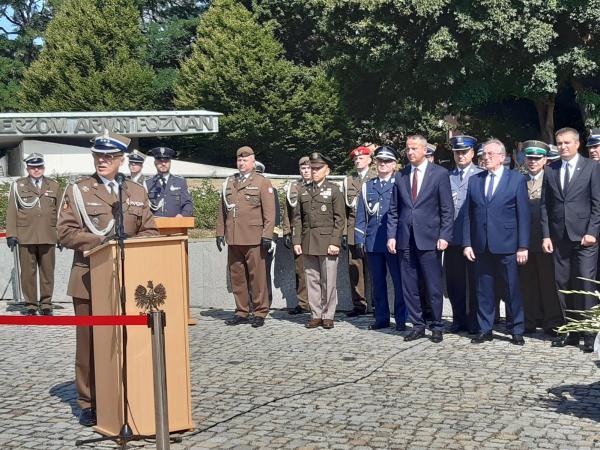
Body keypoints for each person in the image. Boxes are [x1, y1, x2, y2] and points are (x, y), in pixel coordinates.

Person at [57, 131, 158, 427]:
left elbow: (149, 230)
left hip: (129, 280)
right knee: (89, 344)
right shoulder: (79, 190)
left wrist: (137, 247)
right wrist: (102, 241)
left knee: (126, 340)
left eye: (108, 157)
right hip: (90, 279)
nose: (102, 161)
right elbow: (64, 232)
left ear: (120, 160)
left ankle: (129, 394)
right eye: (98, 156)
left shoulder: (136, 192)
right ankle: (89, 401)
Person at [387, 134, 454, 343]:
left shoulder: (440, 174)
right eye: (407, 149)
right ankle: (417, 324)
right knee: (409, 285)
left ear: (425, 150)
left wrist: (444, 235)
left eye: (414, 148)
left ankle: (436, 324)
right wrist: (391, 235)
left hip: (430, 238)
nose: (410, 152)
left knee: (433, 285)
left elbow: (446, 209)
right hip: (405, 239)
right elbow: (393, 210)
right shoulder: (401, 175)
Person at [463, 139, 530, 345]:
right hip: (481, 245)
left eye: (491, 154)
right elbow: (467, 215)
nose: (486, 157)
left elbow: (524, 214)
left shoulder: (516, 180)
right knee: (484, 289)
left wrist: (523, 246)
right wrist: (467, 243)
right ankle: (485, 328)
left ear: (502, 157)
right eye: (484, 154)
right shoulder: (475, 180)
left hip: (508, 244)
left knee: (511, 289)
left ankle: (516, 328)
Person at [540, 127, 600, 352]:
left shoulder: (592, 167)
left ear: (577, 144)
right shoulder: (551, 169)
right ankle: (571, 329)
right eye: (560, 143)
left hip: (585, 237)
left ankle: (589, 332)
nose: (563, 147)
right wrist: (546, 234)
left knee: (585, 282)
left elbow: (597, 203)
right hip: (559, 237)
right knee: (563, 284)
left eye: (567, 143)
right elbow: (546, 206)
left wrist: (592, 231)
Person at [216, 146, 276, 328]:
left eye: (245, 160)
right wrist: (220, 232)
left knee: (257, 277)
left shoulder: (261, 182)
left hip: (253, 237)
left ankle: (259, 311)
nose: (241, 163)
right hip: (233, 237)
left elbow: (269, 213)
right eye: (239, 160)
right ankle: (241, 311)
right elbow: (222, 210)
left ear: (253, 162)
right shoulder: (230, 182)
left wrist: (267, 235)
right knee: (237, 276)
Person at [355, 146, 406, 331]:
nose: (383, 165)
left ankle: (401, 319)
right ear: (375, 163)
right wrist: (359, 240)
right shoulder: (368, 186)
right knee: (377, 283)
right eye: (380, 161)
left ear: (394, 164)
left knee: (399, 282)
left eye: (388, 161)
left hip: (394, 242)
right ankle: (381, 318)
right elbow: (361, 216)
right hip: (373, 241)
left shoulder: (400, 184)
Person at [292, 152, 345, 329]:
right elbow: (298, 218)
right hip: (308, 241)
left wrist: (335, 242)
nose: (314, 171)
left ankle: (328, 315)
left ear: (327, 170)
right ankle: (315, 314)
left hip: (327, 242)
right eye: (312, 168)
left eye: (318, 168)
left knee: (328, 280)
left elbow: (340, 219)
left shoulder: (334, 190)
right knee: (311, 279)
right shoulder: (304, 190)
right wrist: (297, 241)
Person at [6, 153, 62, 315]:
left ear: (43, 168)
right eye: (32, 167)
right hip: (26, 235)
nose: (36, 170)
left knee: (47, 272)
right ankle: (30, 304)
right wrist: (11, 234)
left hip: (48, 234)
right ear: (27, 168)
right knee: (28, 273)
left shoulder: (54, 185)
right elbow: (12, 210)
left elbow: (59, 212)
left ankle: (46, 303)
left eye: (39, 167)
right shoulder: (18, 185)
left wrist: (60, 235)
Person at [518, 140, 562, 335]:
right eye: (530, 158)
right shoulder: (519, 180)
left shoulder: (553, 178)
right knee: (527, 283)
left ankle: (551, 321)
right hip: (524, 240)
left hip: (546, 239)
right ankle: (529, 320)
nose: (533, 162)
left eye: (537, 158)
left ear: (545, 160)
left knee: (548, 283)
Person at [445, 135, 482, 333]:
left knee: (475, 282)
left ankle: (475, 321)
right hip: (452, 238)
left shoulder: (480, 175)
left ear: (472, 153)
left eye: (464, 152)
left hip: (474, 238)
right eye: (457, 153)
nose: (460, 156)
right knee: (454, 282)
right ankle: (458, 319)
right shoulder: (446, 176)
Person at [343, 145, 375, 317]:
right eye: (355, 159)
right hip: (353, 227)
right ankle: (359, 304)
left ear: (370, 159)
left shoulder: (376, 177)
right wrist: (343, 233)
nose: (357, 161)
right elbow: (343, 210)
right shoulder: (349, 180)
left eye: (361, 158)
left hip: (372, 228)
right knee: (355, 268)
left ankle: (377, 303)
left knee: (375, 269)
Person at [282, 156, 312, 314]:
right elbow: (287, 211)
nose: (306, 171)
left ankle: (318, 303)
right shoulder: (293, 187)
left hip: (315, 233)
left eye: (308, 168)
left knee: (317, 271)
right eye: (303, 169)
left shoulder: (320, 186)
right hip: (298, 234)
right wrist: (286, 231)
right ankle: (302, 303)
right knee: (300, 270)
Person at [255, 160, 279, 304]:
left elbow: (276, 217)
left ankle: (266, 300)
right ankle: (252, 301)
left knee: (264, 270)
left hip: (266, 237)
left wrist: (273, 238)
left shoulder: (271, 190)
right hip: (249, 236)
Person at [145, 147, 193, 217]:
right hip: (153, 226)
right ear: (155, 163)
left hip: (176, 225)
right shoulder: (148, 183)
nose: (163, 164)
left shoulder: (180, 182)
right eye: (160, 161)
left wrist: (183, 215)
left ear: (170, 162)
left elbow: (187, 203)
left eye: (166, 161)